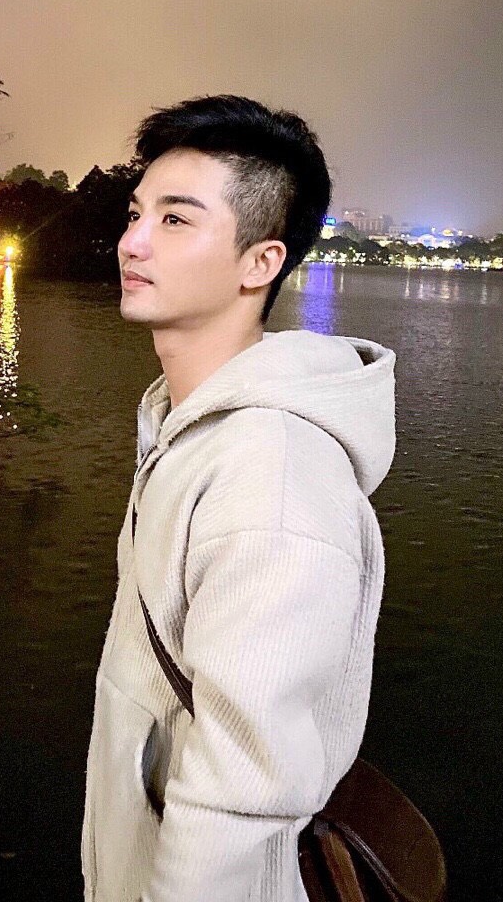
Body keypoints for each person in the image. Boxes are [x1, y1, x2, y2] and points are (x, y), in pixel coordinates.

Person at [80, 95, 396, 902]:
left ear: (261, 262)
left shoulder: (274, 475)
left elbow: (238, 789)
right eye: (136, 213)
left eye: (175, 220)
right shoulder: (188, 428)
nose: (133, 241)